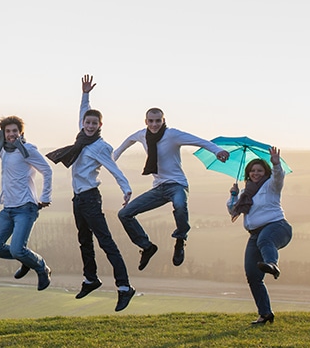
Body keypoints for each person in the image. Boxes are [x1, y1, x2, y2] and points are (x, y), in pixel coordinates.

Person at [45, 75, 136, 311]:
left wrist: (126, 190)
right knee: (84, 240)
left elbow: (115, 169)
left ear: (100, 126)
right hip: (78, 198)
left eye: (94, 123)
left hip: (90, 198)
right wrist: (85, 93)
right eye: (88, 122)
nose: (90, 125)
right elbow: (83, 111)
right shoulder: (82, 138)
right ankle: (90, 279)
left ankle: (125, 287)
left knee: (106, 242)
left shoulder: (100, 146)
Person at [113, 107, 229, 270]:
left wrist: (217, 150)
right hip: (159, 188)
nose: (154, 124)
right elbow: (129, 140)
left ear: (163, 120)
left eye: (158, 121)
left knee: (180, 205)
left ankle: (180, 239)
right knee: (124, 214)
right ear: (146, 122)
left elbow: (198, 141)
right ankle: (147, 246)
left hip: (177, 185)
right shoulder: (142, 135)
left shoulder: (172, 135)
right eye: (151, 121)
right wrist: (114, 156)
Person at [0, 115, 54, 291]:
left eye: (15, 131)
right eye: (8, 131)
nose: (11, 134)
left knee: (17, 250)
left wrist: (45, 198)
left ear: (21, 133)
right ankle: (25, 259)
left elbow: (47, 170)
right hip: (7, 209)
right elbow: (0, 144)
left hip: (26, 208)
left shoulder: (27, 149)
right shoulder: (3, 149)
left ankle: (41, 267)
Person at [227, 147, 291, 325]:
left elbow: (279, 177)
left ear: (265, 172)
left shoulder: (271, 184)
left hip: (277, 227)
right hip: (254, 234)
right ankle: (265, 314)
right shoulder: (244, 193)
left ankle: (273, 264)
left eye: (259, 170)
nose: (255, 173)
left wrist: (276, 163)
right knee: (252, 275)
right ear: (248, 173)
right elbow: (233, 210)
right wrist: (233, 195)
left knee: (265, 239)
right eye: (253, 171)